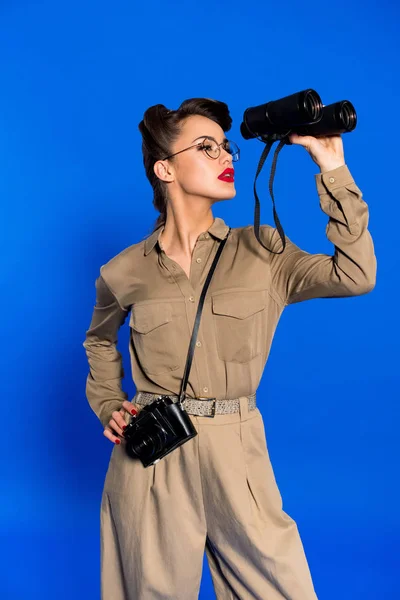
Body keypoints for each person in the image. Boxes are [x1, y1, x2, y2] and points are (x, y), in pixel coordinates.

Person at [83, 98, 376, 600]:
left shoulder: (263, 249)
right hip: (154, 455)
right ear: (164, 168)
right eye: (206, 147)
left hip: (236, 449)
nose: (225, 158)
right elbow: (98, 339)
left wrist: (333, 168)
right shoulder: (123, 270)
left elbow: (355, 275)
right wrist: (110, 404)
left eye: (226, 147)